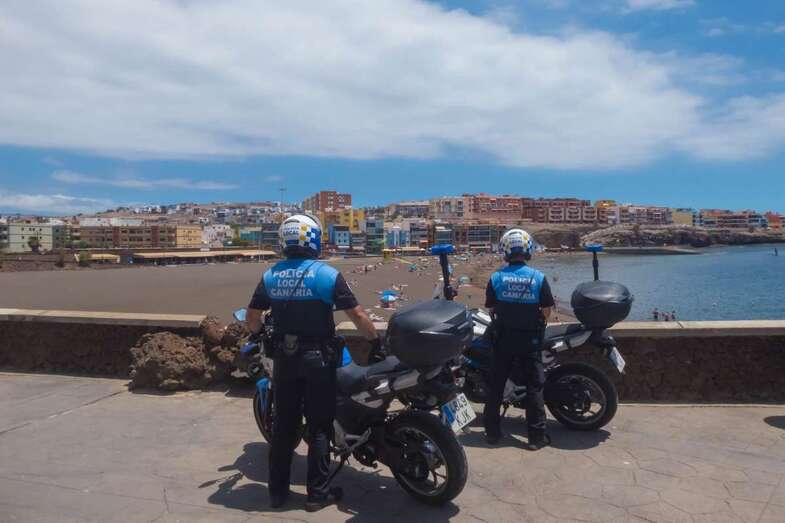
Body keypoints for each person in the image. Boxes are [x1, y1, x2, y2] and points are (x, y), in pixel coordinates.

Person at [246, 214, 380, 511]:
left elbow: (252, 318)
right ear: (314, 239)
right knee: (319, 427)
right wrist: (375, 341)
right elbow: (357, 315)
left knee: (283, 426)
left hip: (284, 359)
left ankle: (277, 494)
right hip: (319, 360)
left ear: (284, 241)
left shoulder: (271, 275)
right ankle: (317, 495)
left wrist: (260, 334)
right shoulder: (326, 274)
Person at [483, 229, 554, 450]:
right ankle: (536, 437)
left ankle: (493, 434)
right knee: (534, 387)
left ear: (505, 250)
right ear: (527, 249)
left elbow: (491, 308)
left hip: (503, 339)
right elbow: (546, 310)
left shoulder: (496, 277)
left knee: (496, 386)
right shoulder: (538, 277)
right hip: (529, 341)